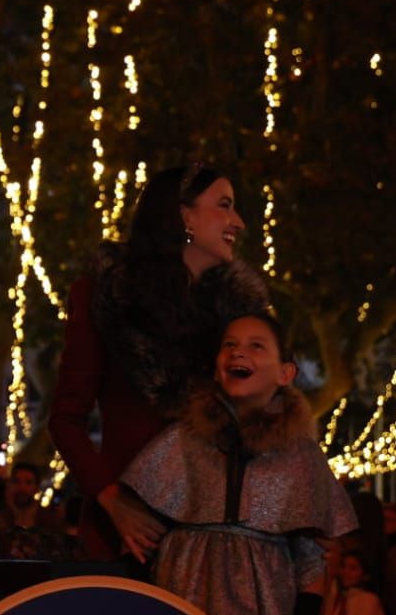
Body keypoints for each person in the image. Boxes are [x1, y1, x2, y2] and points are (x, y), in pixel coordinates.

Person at [119, 313, 357, 615]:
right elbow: (140, 533)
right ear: (216, 365)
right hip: (186, 602)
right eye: (229, 344)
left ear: (286, 373)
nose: (238, 352)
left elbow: (311, 561)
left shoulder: (301, 457)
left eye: (256, 345)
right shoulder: (180, 443)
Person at [49, 163, 268, 563]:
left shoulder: (241, 319)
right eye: (224, 205)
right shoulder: (109, 297)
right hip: (131, 535)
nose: (238, 222)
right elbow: (65, 418)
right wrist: (112, 499)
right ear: (185, 215)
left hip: (215, 539)